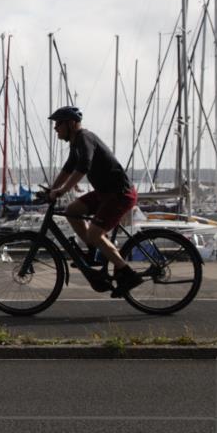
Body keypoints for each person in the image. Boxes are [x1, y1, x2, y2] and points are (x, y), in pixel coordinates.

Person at [46, 106, 143, 296]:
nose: (55, 128)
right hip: (105, 193)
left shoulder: (84, 138)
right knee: (72, 210)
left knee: (95, 233)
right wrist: (51, 190)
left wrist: (62, 190)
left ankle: (127, 273)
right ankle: (94, 253)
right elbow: (68, 169)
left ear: (72, 124)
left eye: (58, 124)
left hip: (120, 194)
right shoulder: (75, 143)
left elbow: (84, 166)